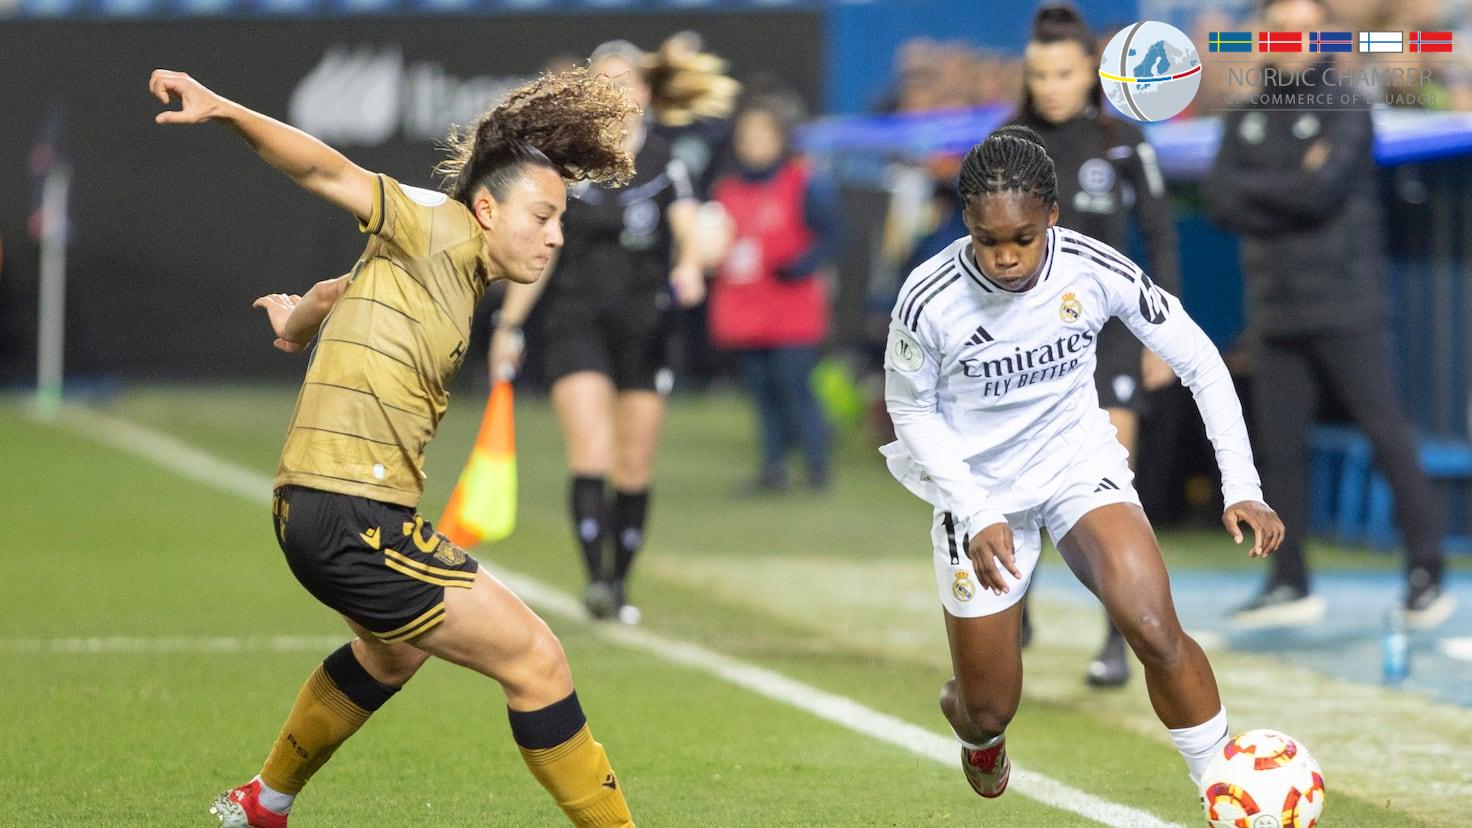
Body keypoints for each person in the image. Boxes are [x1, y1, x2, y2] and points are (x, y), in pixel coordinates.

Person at [148, 67, 638, 827]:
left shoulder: (445, 267)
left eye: (562, 220)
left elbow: (339, 291)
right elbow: (325, 169)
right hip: (350, 513)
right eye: (542, 216)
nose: (556, 236)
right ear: (485, 207)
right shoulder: (434, 219)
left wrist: (297, 324)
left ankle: (262, 804)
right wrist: (223, 109)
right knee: (537, 659)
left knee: (390, 653)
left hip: (323, 510)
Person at [881, 125, 1284, 800]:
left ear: (1052, 217)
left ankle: (1223, 790)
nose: (1006, 257)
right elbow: (912, 412)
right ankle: (976, 731)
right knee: (989, 707)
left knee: (1154, 627)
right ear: (967, 225)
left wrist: (1241, 485)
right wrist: (975, 510)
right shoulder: (928, 299)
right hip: (977, 492)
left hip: (1076, 466)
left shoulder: (1095, 269)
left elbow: (1200, 361)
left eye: (1023, 238)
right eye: (988, 240)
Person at [1203, 0, 1454, 630]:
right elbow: (1217, 198)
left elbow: (1321, 192)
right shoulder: (1245, 114)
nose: (1286, 41)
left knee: (1386, 434)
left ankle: (1427, 572)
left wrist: (1263, 189)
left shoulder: (1348, 106)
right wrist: (1289, 186)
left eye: (1299, 30)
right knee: (1279, 450)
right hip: (1277, 307)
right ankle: (1289, 582)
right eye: (1276, 30)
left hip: (1348, 303)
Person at [488, 41, 707, 622]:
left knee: (634, 465)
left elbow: (691, 232)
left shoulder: (667, 162)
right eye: (604, 83)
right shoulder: (562, 166)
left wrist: (690, 265)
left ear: (646, 93)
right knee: (592, 453)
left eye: (627, 82)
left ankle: (620, 580)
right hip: (575, 321)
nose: (619, 93)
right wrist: (508, 324)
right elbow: (541, 254)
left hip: (646, 324)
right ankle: (596, 584)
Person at [1007, 2, 1182, 688]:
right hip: (1026, 342)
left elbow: (1162, 237)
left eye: (1064, 72)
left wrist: (1160, 335)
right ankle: (1013, 610)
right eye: (1039, 73)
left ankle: (1119, 637)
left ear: (1091, 72)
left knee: (1110, 485)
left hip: (1107, 337)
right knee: (1023, 483)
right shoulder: (1008, 143)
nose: (1052, 84)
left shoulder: (1122, 142)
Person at [708, 94, 838, 491]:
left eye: (763, 135)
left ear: (780, 140)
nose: (754, 143)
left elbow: (834, 236)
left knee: (794, 387)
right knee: (763, 393)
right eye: (748, 136)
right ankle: (773, 468)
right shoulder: (726, 190)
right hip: (746, 309)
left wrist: (802, 263)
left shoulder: (803, 183)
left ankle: (816, 465)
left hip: (791, 309)